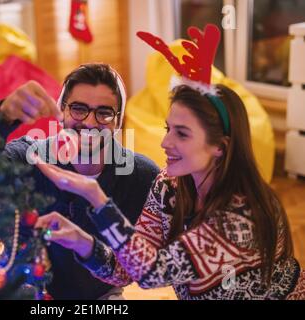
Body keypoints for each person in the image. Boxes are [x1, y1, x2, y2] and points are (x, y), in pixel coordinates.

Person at [34, 83, 304, 299]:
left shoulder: (242, 217)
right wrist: (81, 241)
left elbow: (153, 272)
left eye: (182, 134)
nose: (165, 142)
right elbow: (129, 268)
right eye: (168, 129)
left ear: (220, 147)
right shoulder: (168, 186)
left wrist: (97, 199)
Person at [0, 63, 159, 299]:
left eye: (104, 113)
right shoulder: (30, 158)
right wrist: (3, 117)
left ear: (119, 122)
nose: (90, 123)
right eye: (79, 109)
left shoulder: (141, 176)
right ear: (61, 111)